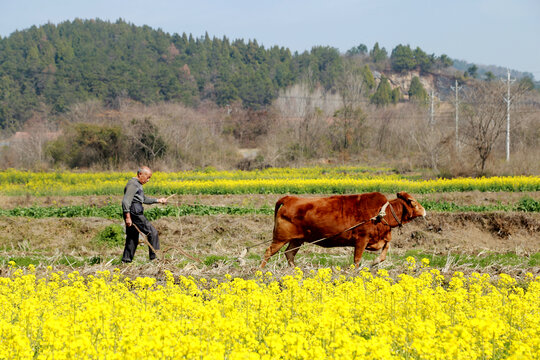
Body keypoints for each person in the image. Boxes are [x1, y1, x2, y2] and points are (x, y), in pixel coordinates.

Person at [121, 166, 167, 263]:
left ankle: (126, 261)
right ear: (140, 174)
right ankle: (155, 259)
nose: (148, 180)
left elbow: (143, 199)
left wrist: (158, 200)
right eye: (148, 177)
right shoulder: (133, 184)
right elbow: (126, 201)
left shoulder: (137, 184)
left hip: (134, 211)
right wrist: (128, 217)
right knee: (152, 232)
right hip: (134, 212)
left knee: (132, 237)